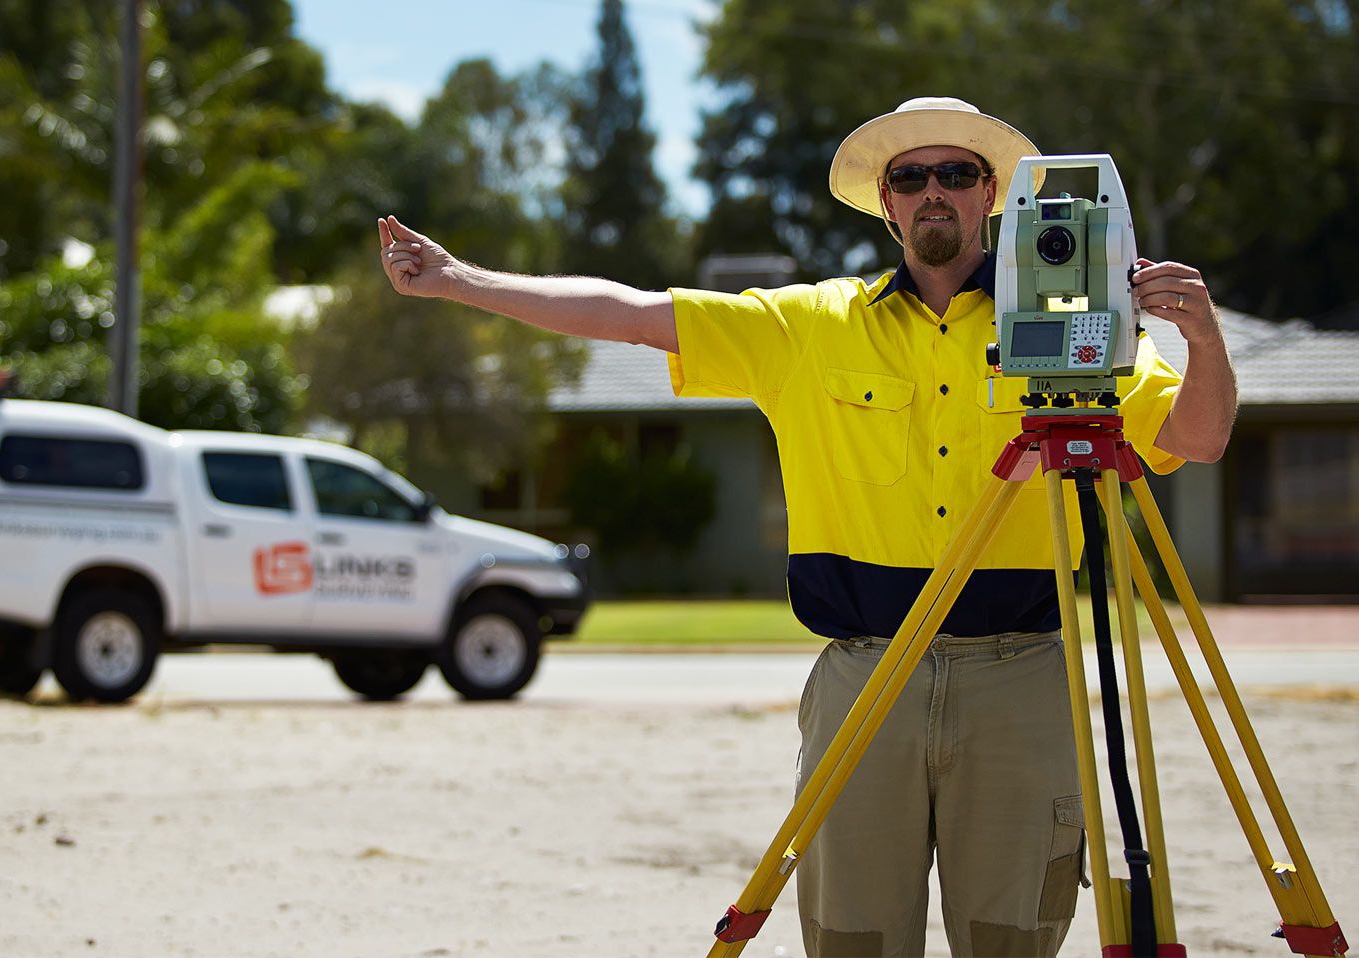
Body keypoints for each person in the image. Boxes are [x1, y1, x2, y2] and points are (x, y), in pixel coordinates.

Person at [376, 96, 1238, 957]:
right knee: (851, 941)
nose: (932, 189)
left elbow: (1197, 439)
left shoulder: (1077, 332)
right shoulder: (809, 325)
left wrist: (1201, 337)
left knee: (1011, 940)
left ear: (992, 194)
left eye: (956, 173)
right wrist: (460, 281)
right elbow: (632, 313)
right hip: (862, 675)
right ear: (888, 201)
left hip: (1020, 675)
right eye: (910, 176)